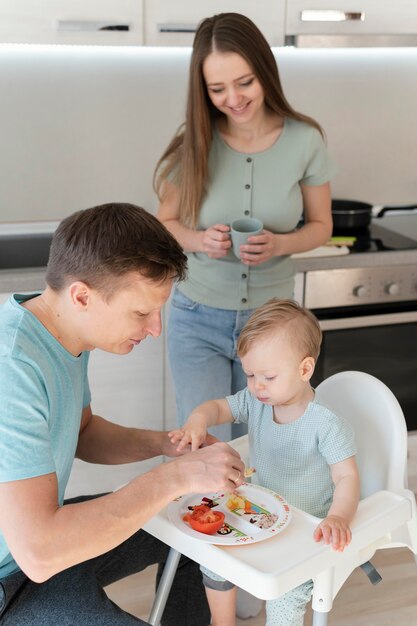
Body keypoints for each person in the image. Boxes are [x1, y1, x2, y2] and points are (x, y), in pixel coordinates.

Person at [0, 202, 246, 626]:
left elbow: (85, 432)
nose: (155, 328)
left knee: (190, 532)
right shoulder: (13, 367)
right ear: (82, 296)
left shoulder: (64, 337)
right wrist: (176, 478)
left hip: (31, 552)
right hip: (17, 575)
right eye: (141, 313)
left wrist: (169, 447)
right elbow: (39, 552)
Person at [154, 12, 337, 444]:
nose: (233, 98)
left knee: (265, 444)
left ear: (265, 73)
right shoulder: (195, 143)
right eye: (217, 89)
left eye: (244, 82)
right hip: (197, 317)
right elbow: (162, 224)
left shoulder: (304, 140)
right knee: (206, 442)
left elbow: (321, 226)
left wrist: (281, 243)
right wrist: (200, 240)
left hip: (272, 322)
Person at [169, 298, 360, 626]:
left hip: (305, 531)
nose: (256, 385)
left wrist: (338, 518)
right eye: (250, 374)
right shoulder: (255, 401)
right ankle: (222, 622)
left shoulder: (326, 424)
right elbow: (216, 408)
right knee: (214, 558)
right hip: (257, 514)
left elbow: (347, 478)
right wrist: (198, 420)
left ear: (304, 369)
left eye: (268, 376)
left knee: (286, 597)